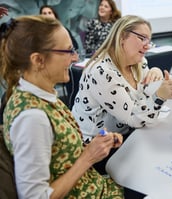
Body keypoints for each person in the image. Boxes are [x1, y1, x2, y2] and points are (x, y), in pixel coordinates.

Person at [0, 15, 124, 198]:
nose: (74, 58)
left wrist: (97, 146)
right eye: (68, 51)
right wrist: (88, 157)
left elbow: (60, 153)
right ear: (38, 60)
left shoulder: (41, 94)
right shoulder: (32, 118)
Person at [72, 15, 172, 142]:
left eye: (149, 41)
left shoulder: (139, 62)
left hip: (124, 135)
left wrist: (156, 73)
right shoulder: (102, 71)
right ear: (122, 37)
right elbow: (134, 119)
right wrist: (159, 97)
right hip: (96, 144)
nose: (147, 46)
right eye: (142, 38)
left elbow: (145, 97)